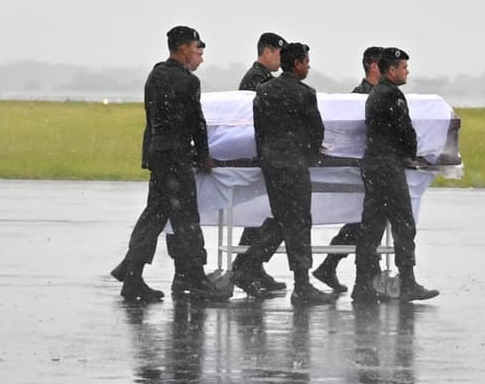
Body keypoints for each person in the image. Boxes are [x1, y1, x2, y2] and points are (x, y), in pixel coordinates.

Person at [113, 25, 226, 304]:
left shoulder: (155, 75)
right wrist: (204, 155)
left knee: (154, 215)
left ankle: (132, 275)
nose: (198, 52)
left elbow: (151, 118)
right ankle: (195, 278)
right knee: (186, 219)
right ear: (184, 47)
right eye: (196, 47)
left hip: (159, 154)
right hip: (176, 157)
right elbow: (197, 122)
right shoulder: (188, 82)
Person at [235, 42, 337, 306]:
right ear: (297, 64)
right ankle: (301, 285)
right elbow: (316, 131)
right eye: (306, 62)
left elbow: (258, 128)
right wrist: (309, 157)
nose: (308, 67)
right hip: (294, 164)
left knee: (282, 219)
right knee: (299, 221)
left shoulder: (264, 90)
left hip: (272, 164)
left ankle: (247, 266)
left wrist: (266, 157)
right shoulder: (305, 93)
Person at [353, 47, 439, 306]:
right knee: (403, 223)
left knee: (372, 226)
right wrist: (411, 152)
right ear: (391, 70)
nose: (407, 72)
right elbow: (405, 132)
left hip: (373, 163)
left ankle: (362, 284)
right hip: (388, 165)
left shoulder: (375, 94)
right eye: (403, 67)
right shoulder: (392, 95)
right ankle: (408, 282)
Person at [313, 45, 385, 293]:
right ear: (374, 67)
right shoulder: (359, 97)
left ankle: (332, 266)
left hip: (365, 165)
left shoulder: (373, 94)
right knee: (367, 220)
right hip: (362, 166)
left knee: (363, 220)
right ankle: (366, 276)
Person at [234, 32, 288, 294]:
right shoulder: (256, 80)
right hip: (262, 152)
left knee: (259, 214)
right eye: (279, 53)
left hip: (263, 152)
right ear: (267, 51)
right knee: (265, 214)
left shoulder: (262, 78)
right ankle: (246, 267)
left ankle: (248, 266)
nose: (281, 59)